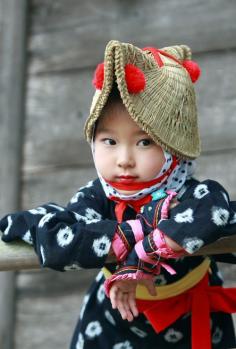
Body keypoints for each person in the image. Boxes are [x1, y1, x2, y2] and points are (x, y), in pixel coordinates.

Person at [0, 40, 236, 349]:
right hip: (115, 322)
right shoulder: (97, 199)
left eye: (144, 143)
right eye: (109, 141)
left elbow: (216, 209)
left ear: (174, 147)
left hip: (195, 320)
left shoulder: (195, 196)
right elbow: (60, 232)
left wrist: (145, 254)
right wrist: (132, 233)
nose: (124, 159)